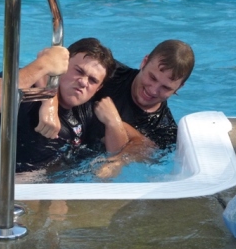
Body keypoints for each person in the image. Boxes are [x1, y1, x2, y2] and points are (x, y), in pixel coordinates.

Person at [0, 38, 135, 183]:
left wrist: (114, 123)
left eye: (92, 80)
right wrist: (45, 79)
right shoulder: (26, 85)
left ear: (99, 88)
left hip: (21, 179)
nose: (83, 82)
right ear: (62, 65)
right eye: (78, 71)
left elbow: (131, 145)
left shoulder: (89, 111)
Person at [36, 39, 195, 177]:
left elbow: (147, 153)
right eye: (152, 77)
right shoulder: (110, 73)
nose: (153, 90)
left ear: (179, 87)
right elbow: (47, 57)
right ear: (144, 62)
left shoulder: (165, 130)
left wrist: (115, 125)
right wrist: (49, 103)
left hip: (80, 167)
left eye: (165, 87)